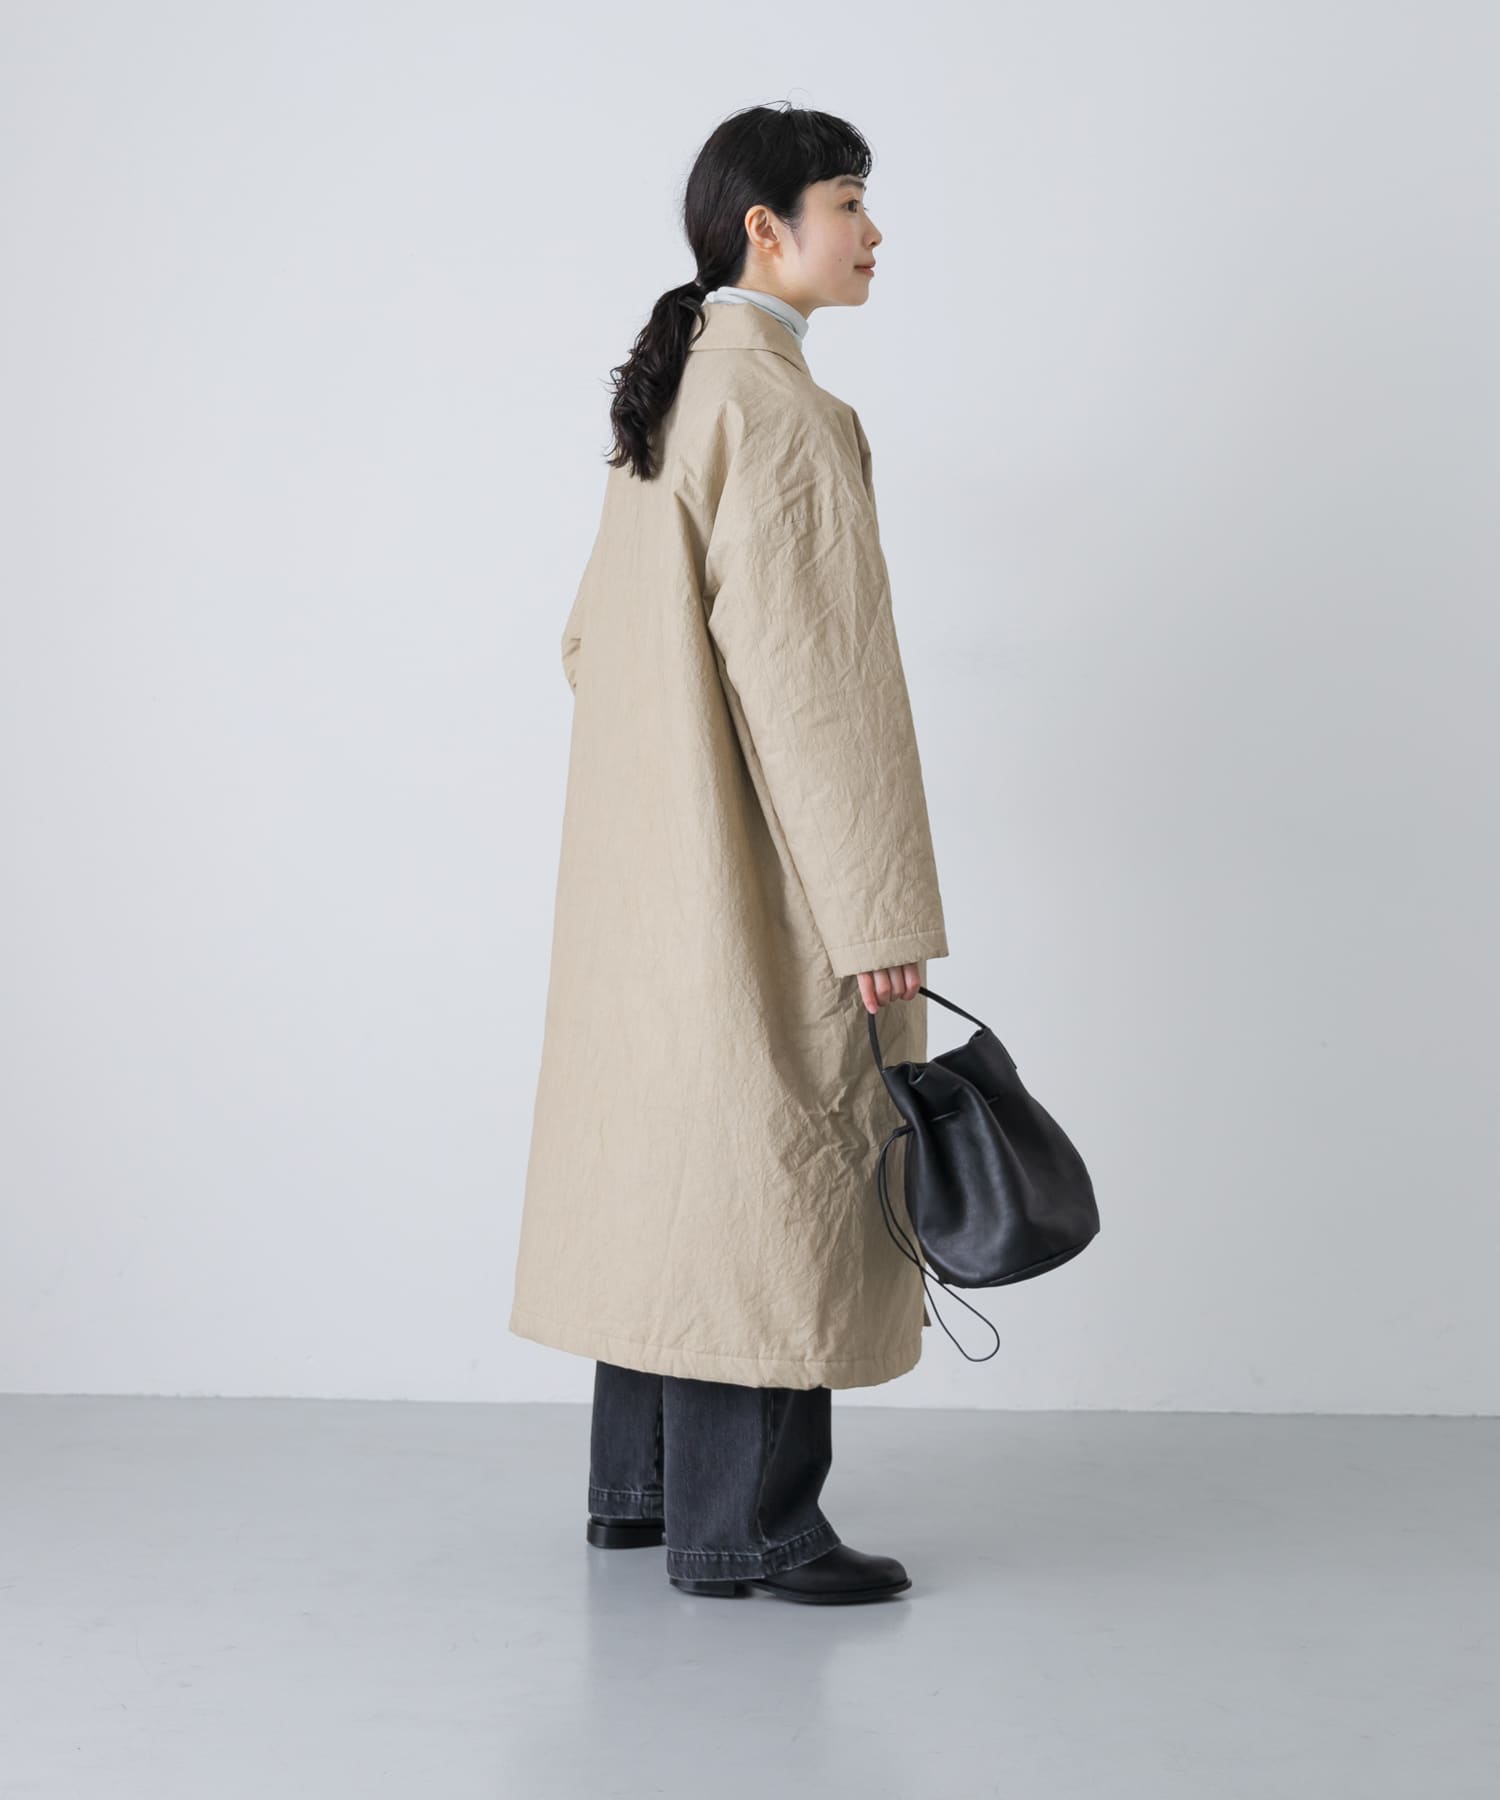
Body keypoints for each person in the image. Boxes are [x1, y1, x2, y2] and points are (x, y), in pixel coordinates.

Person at [508, 102, 949, 1604]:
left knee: (672, 1163)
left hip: (646, 874)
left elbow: (588, 641)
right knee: (773, 1163)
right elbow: (823, 695)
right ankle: (752, 1527)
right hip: (762, 867)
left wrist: (667, 785)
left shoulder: (674, 395)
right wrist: (877, 908)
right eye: (849, 202)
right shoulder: (782, 413)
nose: (873, 232)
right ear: (767, 228)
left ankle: (640, 1495)